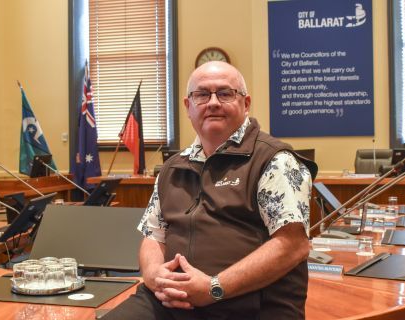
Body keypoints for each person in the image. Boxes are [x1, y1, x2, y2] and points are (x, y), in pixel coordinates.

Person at [102, 61, 318, 320]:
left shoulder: (274, 161)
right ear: (188, 106)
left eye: (225, 93)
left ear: (246, 103)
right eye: (202, 94)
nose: (213, 102)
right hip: (169, 303)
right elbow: (153, 236)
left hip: (249, 306)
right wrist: (153, 276)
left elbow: (293, 245)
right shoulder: (172, 168)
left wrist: (214, 288)